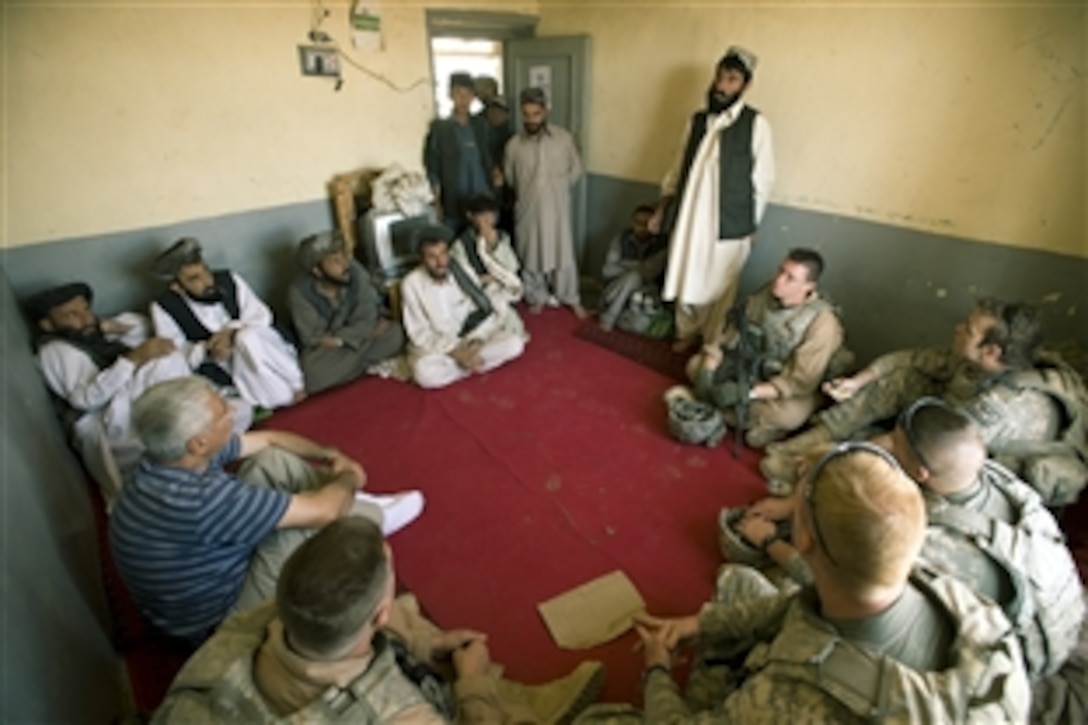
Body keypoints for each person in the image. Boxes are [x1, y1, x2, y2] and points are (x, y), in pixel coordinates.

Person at [579, 443, 1031, 722]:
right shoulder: (963, 600)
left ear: (803, 539)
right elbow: (800, 601)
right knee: (739, 581)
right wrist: (699, 624)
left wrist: (658, 669)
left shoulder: (793, 699)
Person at [722, 399, 1087, 720]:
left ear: (920, 474)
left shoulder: (934, 546)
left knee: (758, 583)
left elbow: (839, 575)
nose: (884, 448)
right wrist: (795, 503)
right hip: (1053, 630)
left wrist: (770, 540)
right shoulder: (997, 480)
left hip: (1030, 667)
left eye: (894, 448)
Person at [154, 516, 605, 723]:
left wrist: (426, 647)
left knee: (409, 633)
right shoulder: (397, 717)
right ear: (379, 614)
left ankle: (438, 657)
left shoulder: (246, 627)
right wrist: (472, 684)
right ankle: (508, 700)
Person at [109, 376, 424, 643]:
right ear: (199, 443)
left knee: (270, 461)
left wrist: (328, 455)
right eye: (222, 415)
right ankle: (373, 516)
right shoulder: (203, 500)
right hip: (219, 623)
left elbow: (270, 440)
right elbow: (323, 513)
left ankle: (356, 502)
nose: (232, 411)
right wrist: (349, 475)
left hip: (205, 575)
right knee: (313, 527)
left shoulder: (164, 460)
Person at [760, 297, 1087, 503]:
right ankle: (812, 443)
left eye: (969, 330)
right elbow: (913, 360)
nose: (959, 328)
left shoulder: (1000, 409)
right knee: (904, 380)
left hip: (981, 480)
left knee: (886, 485)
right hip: (946, 436)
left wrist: (831, 459)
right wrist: (858, 381)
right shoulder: (984, 364)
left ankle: (820, 474)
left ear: (992, 352)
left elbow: (923, 446)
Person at [649, 46, 776, 354]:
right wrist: (662, 208)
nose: (721, 86)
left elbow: (764, 179)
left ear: (746, 86)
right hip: (690, 215)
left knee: (721, 284)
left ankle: (710, 340)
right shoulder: (696, 121)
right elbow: (678, 167)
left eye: (731, 80)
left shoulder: (756, 124)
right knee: (684, 273)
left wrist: (750, 224)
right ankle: (686, 330)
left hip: (728, 223)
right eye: (719, 77)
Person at [25, 282, 192, 507]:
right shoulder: (56, 350)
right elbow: (85, 400)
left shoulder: (88, 335)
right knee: (165, 360)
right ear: (47, 324)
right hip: (108, 421)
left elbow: (142, 326)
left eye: (86, 310)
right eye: (71, 315)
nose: (85, 319)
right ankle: (185, 428)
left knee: (233, 409)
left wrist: (106, 326)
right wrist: (134, 358)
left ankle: (185, 425)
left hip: (121, 406)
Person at [683, 248, 848, 448]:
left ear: (808, 286)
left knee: (788, 417)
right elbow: (727, 332)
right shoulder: (763, 296)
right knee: (694, 367)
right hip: (752, 368)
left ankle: (728, 413)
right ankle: (743, 419)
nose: (779, 280)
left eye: (790, 278)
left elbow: (800, 381)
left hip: (789, 387)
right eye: (780, 271)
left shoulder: (822, 323)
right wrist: (707, 370)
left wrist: (746, 392)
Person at [150, 237, 306, 410]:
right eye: (195, 279)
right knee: (281, 396)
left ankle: (296, 382)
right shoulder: (164, 307)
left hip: (266, 346)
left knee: (246, 337)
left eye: (206, 272)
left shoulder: (229, 279)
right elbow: (174, 354)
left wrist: (231, 333)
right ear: (176, 287)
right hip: (229, 363)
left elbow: (260, 316)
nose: (208, 281)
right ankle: (287, 396)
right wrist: (207, 349)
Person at [401, 225, 527, 389]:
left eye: (443, 254)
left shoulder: (462, 272)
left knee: (515, 344)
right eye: (432, 257)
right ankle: (471, 364)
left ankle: (465, 365)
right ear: (422, 258)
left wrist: (477, 340)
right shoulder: (411, 284)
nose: (440, 262)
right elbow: (419, 332)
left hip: (469, 339)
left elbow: (479, 311)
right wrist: (456, 352)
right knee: (422, 373)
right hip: (440, 348)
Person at [288, 230, 406, 393]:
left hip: (348, 343)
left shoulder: (355, 272)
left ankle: (347, 371)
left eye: (343, 255)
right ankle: (363, 365)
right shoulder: (300, 293)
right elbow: (313, 337)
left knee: (395, 334)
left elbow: (367, 315)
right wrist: (349, 339)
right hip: (337, 349)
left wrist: (343, 338)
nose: (345, 263)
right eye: (335, 261)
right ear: (317, 270)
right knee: (312, 372)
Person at [504, 86, 587, 318]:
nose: (531, 120)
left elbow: (575, 170)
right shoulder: (513, 145)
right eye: (526, 114)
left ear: (545, 111)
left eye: (536, 114)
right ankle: (536, 295)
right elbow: (511, 178)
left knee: (562, 252)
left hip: (557, 208)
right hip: (528, 208)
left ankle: (570, 296)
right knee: (530, 252)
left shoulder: (563, 139)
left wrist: (554, 190)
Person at [424, 72, 497, 232]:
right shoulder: (440, 129)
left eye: (468, 95)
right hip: (453, 200)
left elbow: (491, 159)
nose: (463, 99)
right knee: (456, 245)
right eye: (458, 94)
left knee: (483, 243)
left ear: (473, 97)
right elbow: (433, 168)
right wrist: (437, 203)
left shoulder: (481, 126)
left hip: (482, 199)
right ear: (450, 95)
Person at [597, 204, 669, 332]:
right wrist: (639, 267)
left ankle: (609, 312)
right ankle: (611, 316)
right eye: (638, 223)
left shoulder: (662, 244)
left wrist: (625, 264)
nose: (642, 227)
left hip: (644, 292)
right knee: (634, 276)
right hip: (617, 285)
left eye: (646, 223)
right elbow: (607, 270)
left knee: (638, 324)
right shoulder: (621, 239)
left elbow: (650, 273)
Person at [451, 194, 524, 309]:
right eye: (482, 215)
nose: (488, 220)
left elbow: (512, 267)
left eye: (491, 215)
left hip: (501, 286)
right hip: (478, 291)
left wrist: (494, 244)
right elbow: (462, 276)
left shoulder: (501, 236)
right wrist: (485, 279)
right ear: (470, 216)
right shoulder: (461, 244)